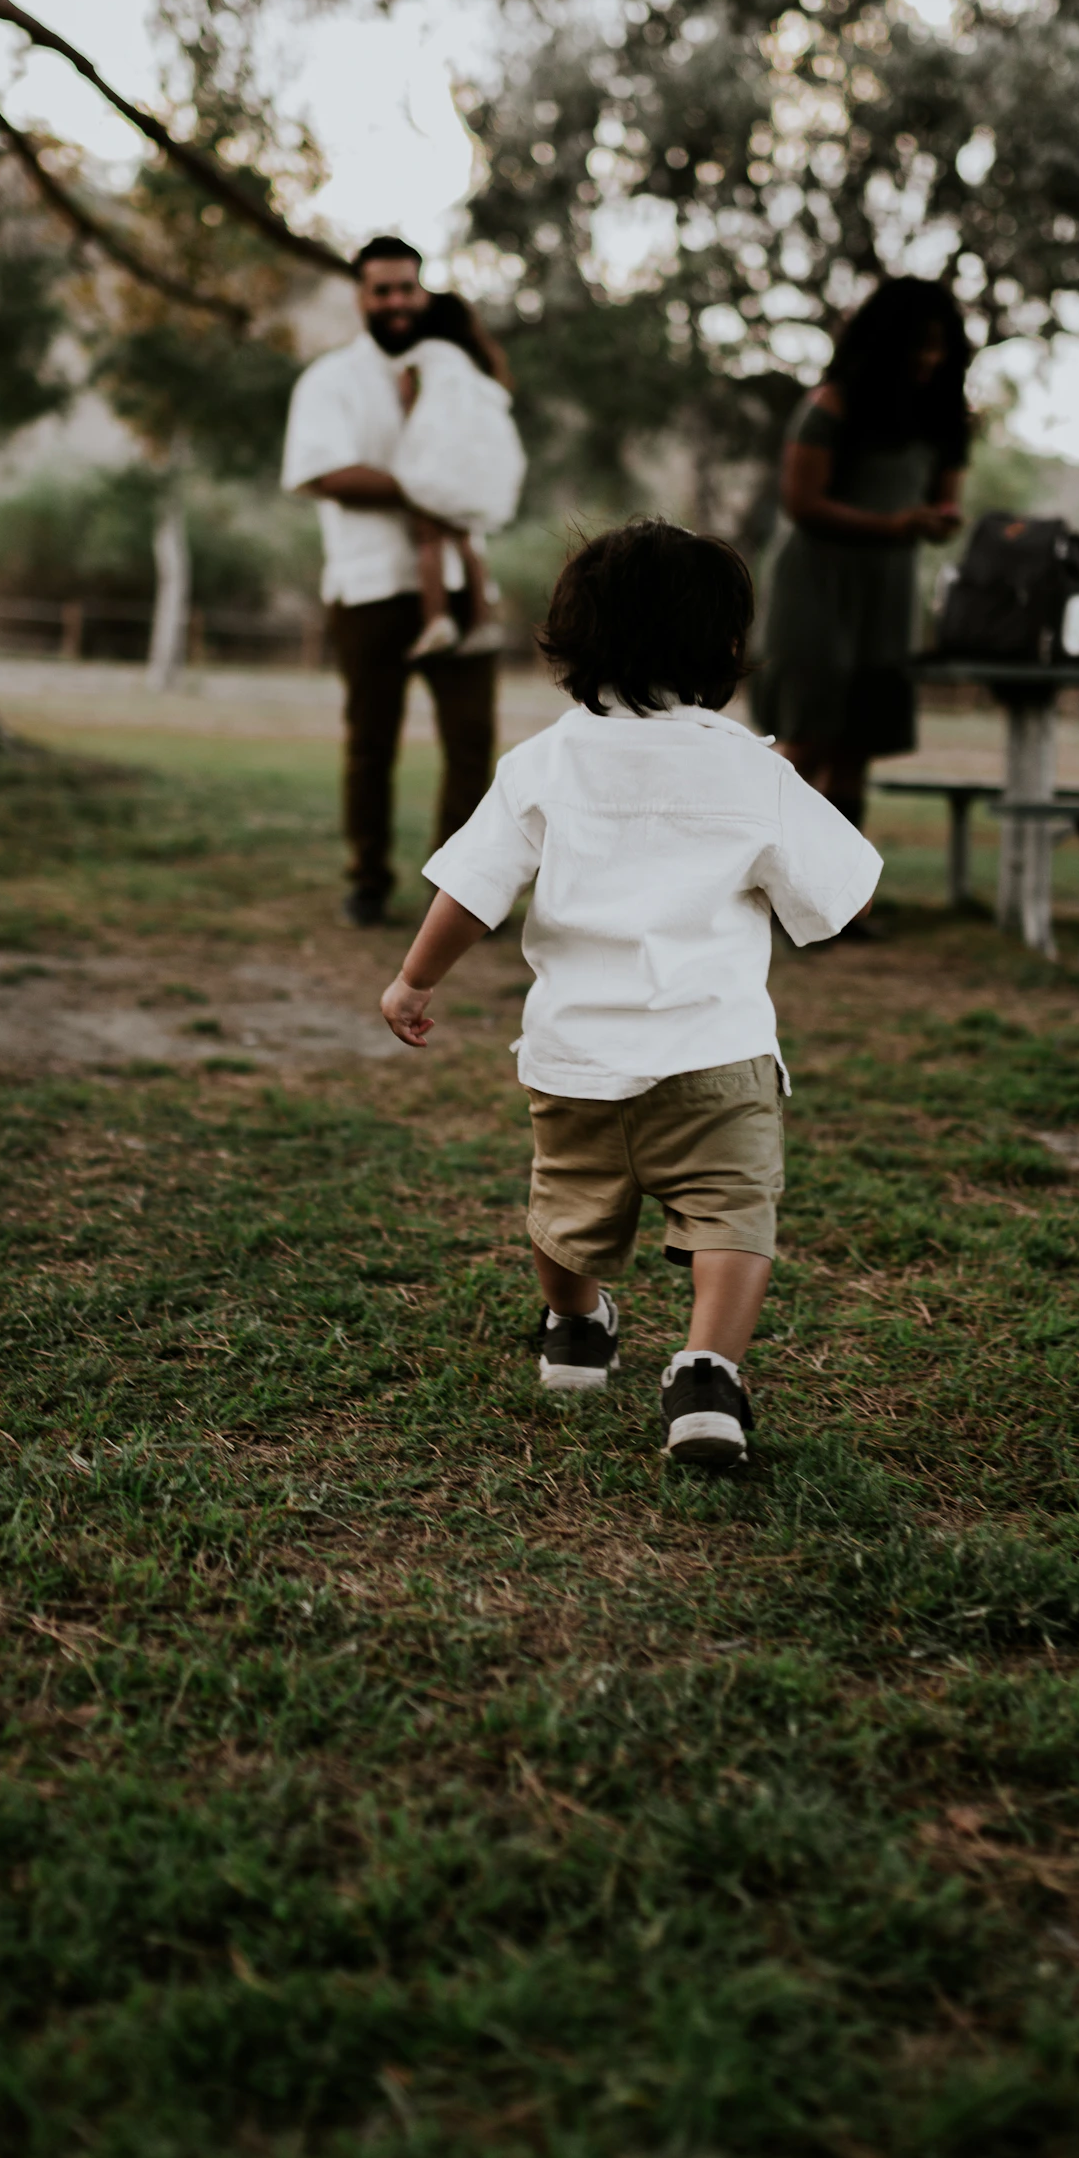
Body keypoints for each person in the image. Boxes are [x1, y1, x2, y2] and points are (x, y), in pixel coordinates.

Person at [377, 520, 881, 1473]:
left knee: (566, 1212)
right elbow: (840, 898)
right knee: (734, 1216)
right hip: (717, 1059)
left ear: (572, 641)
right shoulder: (750, 769)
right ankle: (706, 1374)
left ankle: (575, 1329)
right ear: (727, 650)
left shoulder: (541, 764)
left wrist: (413, 981)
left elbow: (471, 892)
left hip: (576, 1060)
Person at [281, 237, 515, 929]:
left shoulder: (456, 372)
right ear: (360, 296)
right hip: (370, 586)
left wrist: (460, 494)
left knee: (473, 742)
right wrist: (431, 493)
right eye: (381, 290)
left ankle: (458, 893)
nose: (395, 302)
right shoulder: (330, 382)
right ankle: (368, 881)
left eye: (406, 288)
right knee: (371, 741)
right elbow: (327, 475)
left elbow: (486, 460)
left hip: (460, 579)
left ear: (423, 291)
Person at [753, 276, 971, 867]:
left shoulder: (946, 420)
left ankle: (836, 901)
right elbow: (802, 503)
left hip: (889, 590)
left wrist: (939, 520)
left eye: (940, 346)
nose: (930, 358)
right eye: (918, 345)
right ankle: (743, 879)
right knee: (806, 737)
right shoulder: (831, 406)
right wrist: (896, 525)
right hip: (818, 587)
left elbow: (946, 502)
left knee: (855, 746)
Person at [394, 293, 525, 663]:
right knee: (468, 538)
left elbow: (408, 399)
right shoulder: (476, 362)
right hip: (473, 462)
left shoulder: (422, 355)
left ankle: (437, 618)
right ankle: (483, 620)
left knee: (428, 536)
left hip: (438, 455)